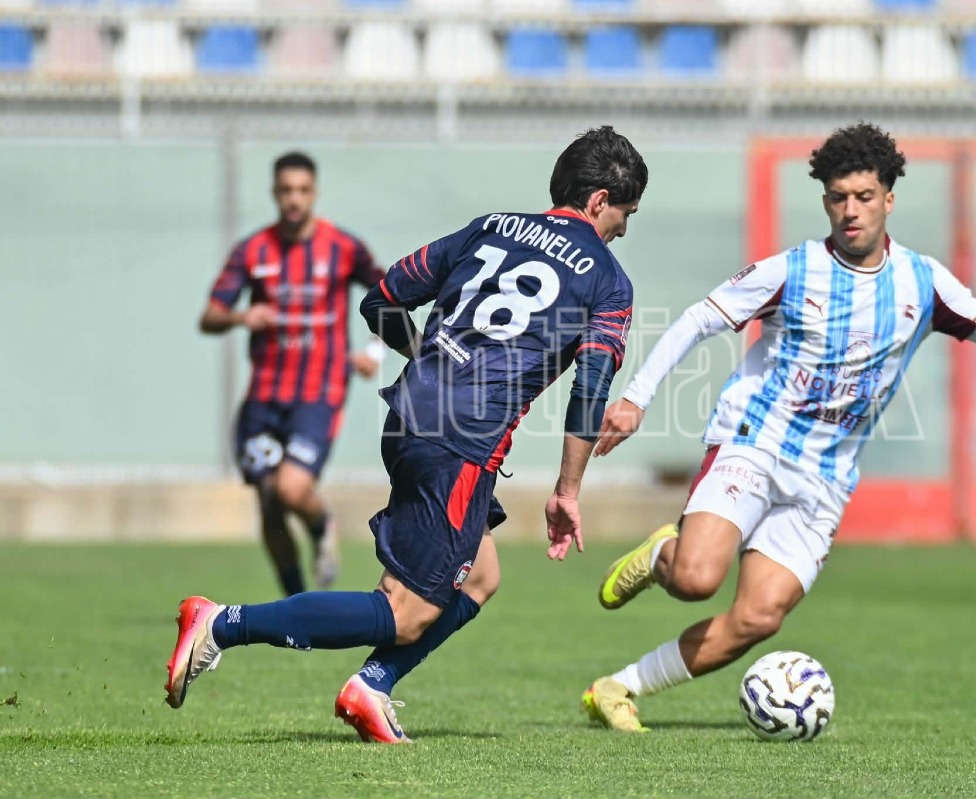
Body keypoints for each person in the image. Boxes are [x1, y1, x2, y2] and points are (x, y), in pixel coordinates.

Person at [580, 122, 976, 732]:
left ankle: (617, 688)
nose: (849, 211)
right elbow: (699, 319)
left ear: (888, 199)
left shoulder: (922, 282)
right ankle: (665, 553)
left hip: (825, 476)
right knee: (696, 580)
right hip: (755, 442)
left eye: (863, 197)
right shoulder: (792, 270)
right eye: (837, 198)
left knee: (757, 618)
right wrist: (636, 399)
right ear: (825, 200)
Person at [166, 126, 649, 745]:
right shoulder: (608, 280)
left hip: (410, 415)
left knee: (479, 575)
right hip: (462, 440)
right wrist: (568, 489)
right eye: (625, 215)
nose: (622, 231)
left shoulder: (490, 227)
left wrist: (431, 357)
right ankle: (222, 624)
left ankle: (371, 687)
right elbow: (591, 390)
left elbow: (382, 299)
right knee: (406, 611)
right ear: (600, 199)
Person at [200, 151, 386, 596]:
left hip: (319, 392)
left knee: (289, 488)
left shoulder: (343, 247)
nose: (294, 199)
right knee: (267, 504)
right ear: (274, 193)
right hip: (264, 397)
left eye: (302, 190)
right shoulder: (253, 250)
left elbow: (389, 295)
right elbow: (210, 315)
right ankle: (296, 603)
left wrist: (376, 352)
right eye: (286, 190)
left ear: (314, 193)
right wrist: (242, 318)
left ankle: (322, 525)